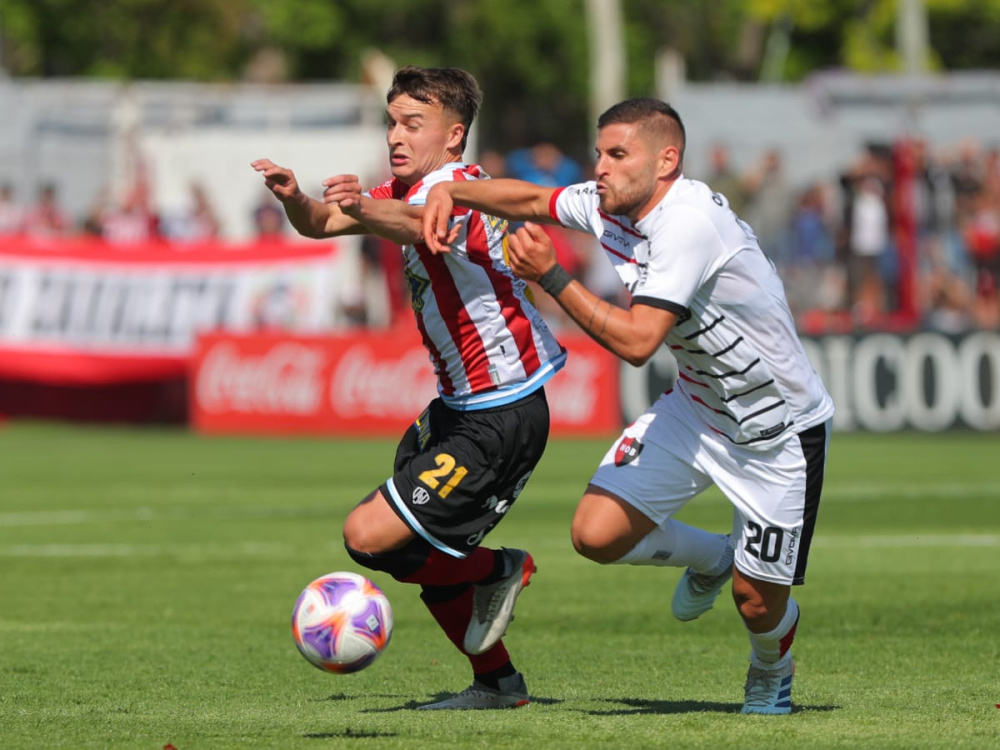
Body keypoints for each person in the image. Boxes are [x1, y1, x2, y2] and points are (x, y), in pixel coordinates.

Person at [423, 97, 835, 715]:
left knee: (756, 601)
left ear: (666, 160)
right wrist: (452, 193)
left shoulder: (688, 223)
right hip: (698, 409)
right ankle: (715, 556)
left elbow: (639, 344)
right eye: (599, 152)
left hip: (775, 433)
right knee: (595, 534)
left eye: (618, 154)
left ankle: (771, 668)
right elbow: (532, 201)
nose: (601, 166)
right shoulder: (610, 201)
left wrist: (551, 278)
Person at [252, 66, 567, 711]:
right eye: (391, 120)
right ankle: (498, 685)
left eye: (411, 123)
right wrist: (292, 196)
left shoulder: (464, 189)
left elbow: (423, 225)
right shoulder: (402, 188)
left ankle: (499, 569)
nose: (395, 134)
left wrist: (369, 208)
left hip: (503, 410)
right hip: (458, 409)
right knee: (405, 554)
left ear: (454, 138)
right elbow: (319, 223)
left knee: (368, 534)